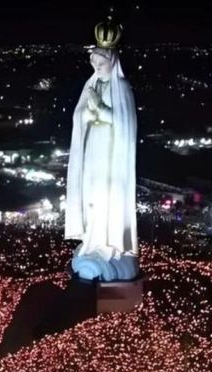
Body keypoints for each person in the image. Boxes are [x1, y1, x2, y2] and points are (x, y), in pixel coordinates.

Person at [64, 34, 138, 281]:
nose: (97, 68)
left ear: (113, 63)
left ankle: (108, 241)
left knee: (106, 195)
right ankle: (92, 239)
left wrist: (100, 109)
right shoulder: (92, 85)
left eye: (102, 63)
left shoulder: (122, 87)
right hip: (92, 147)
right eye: (94, 64)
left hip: (110, 151)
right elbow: (80, 116)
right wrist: (88, 112)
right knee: (91, 194)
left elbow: (124, 123)